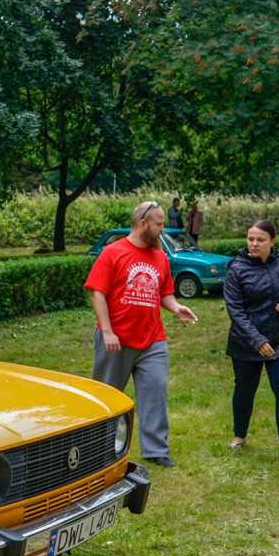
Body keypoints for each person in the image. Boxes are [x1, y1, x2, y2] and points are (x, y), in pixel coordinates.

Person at [85, 200, 199, 467]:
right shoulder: (112, 253)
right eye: (159, 224)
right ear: (142, 224)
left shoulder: (160, 257)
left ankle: (156, 450)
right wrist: (109, 332)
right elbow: (97, 293)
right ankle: (97, 448)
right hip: (116, 339)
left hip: (152, 339)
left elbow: (165, 293)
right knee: (107, 396)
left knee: (155, 392)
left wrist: (176, 307)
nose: (163, 229)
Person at [223, 220, 279, 463]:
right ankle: (239, 434)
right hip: (247, 341)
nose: (254, 244)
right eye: (250, 239)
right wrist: (257, 340)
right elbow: (235, 311)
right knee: (245, 389)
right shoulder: (236, 269)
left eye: (260, 240)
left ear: (272, 241)